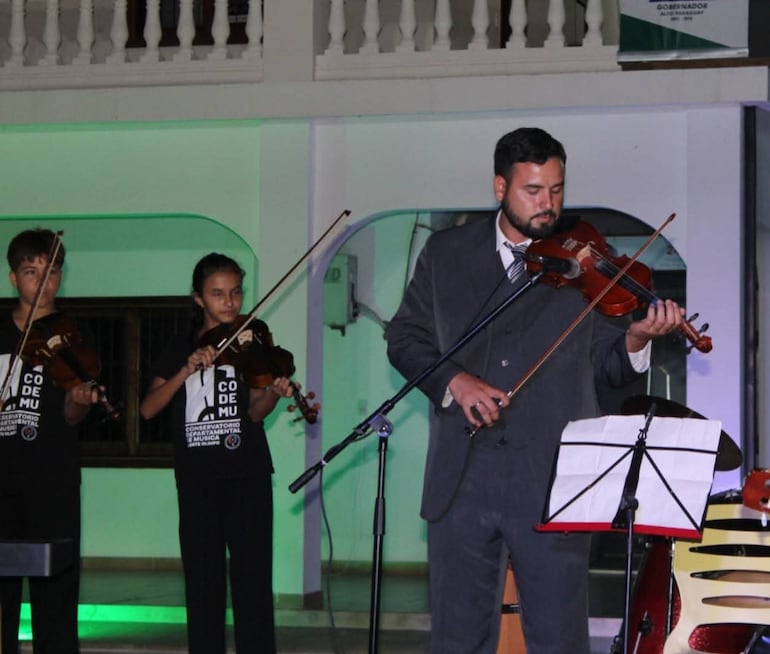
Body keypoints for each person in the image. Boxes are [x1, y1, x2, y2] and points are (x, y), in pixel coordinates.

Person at [385, 127, 685, 654]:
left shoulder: (583, 265)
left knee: (559, 637)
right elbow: (405, 338)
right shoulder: (446, 252)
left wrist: (636, 339)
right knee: (457, 638)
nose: (548, 205)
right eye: (533, 191)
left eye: (557, 190)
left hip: (553, 479)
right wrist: (454, 379)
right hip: (462, 478)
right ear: (500, 187)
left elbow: (608, 365)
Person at [139, 253, 293, 654]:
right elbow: (148, 408)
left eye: (237, 292)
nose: (230, 302)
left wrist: (272, 394)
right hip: (198, 479)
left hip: (249, 474)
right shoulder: (181, 345)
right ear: (198, 298)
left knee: (253, 584)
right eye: (218, 293)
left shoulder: (252, 340)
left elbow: (255, 414)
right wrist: (187, 369)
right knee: (203, 584)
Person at [0, 228, 100, 654]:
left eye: (52, 272)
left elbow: (72, 416)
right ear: (12, 278)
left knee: (56, 593)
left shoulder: (75, 338)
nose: (43, 283)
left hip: (53, 478)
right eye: (31, 272)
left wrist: (79, 400)